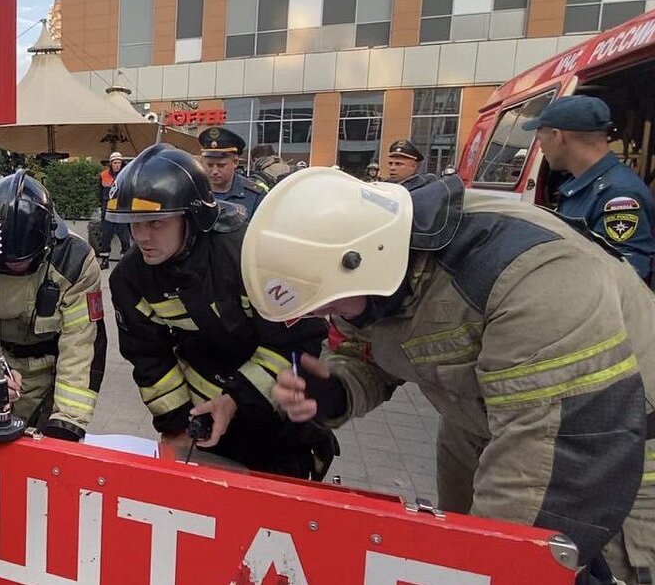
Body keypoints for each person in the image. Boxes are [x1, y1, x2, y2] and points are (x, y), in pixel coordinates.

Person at [243, 167, 654, 583]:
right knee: (459, 545)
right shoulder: (379, 270)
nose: (325, 317)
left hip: (614, 445)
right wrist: (336, 389)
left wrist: (488, 567)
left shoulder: (533, 276)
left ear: (362, 263)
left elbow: (549, 457)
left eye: (327, 304)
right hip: (480, 423)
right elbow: (369, 348)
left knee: (552, 563)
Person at [106, 144, 336, 478]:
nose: (141, 236)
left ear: (193, 214)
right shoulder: (130, 279)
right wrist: (178, 428)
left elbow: (296, 341)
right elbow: (150, 361)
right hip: (202, 419)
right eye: (133, 223)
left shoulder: (250, 256)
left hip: (277, 419)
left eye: (155, 222)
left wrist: (236, 399)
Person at [0, 171, 106, 441]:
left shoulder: (75, 262)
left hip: (49, 371)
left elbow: (81, 344)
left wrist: (67, 422)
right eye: (0, 263)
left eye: (19, 262)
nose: (9, 268)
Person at [524, 95, 655, 283]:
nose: (540, 146)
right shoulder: (584, 186)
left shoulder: (617, 195)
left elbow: (625, 279)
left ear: (557, 136)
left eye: (539, 136)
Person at [198, 126, 266, 221]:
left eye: (221, 165)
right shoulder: (194, 192)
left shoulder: (255, 196)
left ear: (235, 162)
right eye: (209, 165)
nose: (214, 171)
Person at [97, 151, 132, 269]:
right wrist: (102, 206)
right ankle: (105, 260)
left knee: (124, 236)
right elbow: (100, 193)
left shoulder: (125, 175)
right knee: (106, 235)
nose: (117, 165)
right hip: (107, 208)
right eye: (115, 162)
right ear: (111, 163)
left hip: (121, 208)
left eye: (119, 162)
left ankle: (125, 260)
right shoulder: (103, 175)